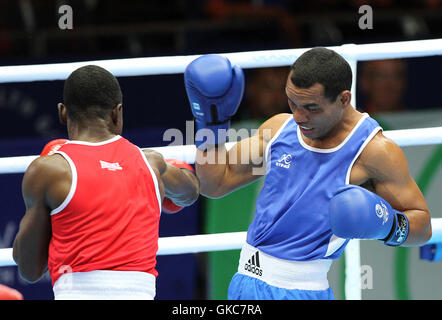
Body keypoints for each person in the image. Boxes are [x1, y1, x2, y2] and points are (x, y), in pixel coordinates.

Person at [184, 50, 432, 300]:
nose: (299, 117)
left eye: (312, 108)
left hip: (303, 290)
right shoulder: (280, 128)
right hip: (245, 283)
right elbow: (214, 184)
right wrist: (211, 128)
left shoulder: (374, 151)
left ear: (344, 99)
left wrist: (386, 224)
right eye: (293, 103)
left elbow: (422, 227)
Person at [12, 65, 200, 300]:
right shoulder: (152, 164)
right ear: (117, 113)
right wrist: (176, 170)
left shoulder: (50, 170)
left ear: (62, 112)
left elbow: (29, 269)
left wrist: (51, 211)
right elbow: (191, 192)